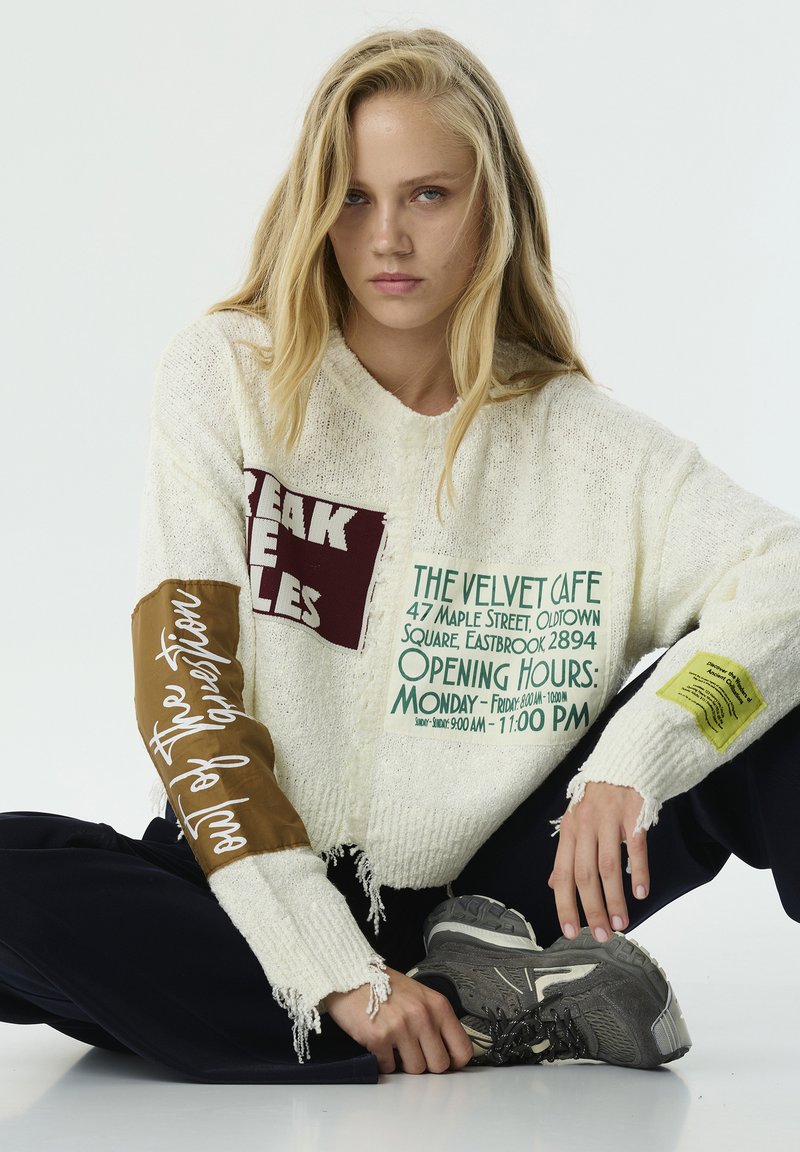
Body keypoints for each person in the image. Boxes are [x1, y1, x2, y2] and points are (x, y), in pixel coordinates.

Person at [0, 26, 797, 1084]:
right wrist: (335, 966)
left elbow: (784, 580)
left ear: (490, 207)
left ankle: (403, 1002)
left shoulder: (590, 447)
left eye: (427, 195)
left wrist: (635, 761)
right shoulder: (230, 375)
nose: (386, 237)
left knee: (776, 714)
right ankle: (455, 1015)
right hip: (250, 889)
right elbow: (187, 697)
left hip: (492, 908)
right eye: (352, 197)